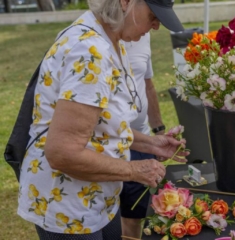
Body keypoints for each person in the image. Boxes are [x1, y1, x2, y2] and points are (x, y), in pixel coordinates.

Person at [17, 0, 188, 239]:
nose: (156, 25)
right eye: (152, 15)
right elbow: (62, 153)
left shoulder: (110, 40)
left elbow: (103, 127)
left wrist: (150, 144)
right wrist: (133, 170)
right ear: (125, 2)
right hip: (70, 209)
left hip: (99, 200)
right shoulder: (90, 51)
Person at [119, 33, 165, 238]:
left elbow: (147, 84)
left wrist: (159, 131)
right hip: (106, 146)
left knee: (135, 214)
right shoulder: (95, 40)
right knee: (110, 215)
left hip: (141, 141)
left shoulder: (144, 34)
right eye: (152, 17)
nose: (155, 26)